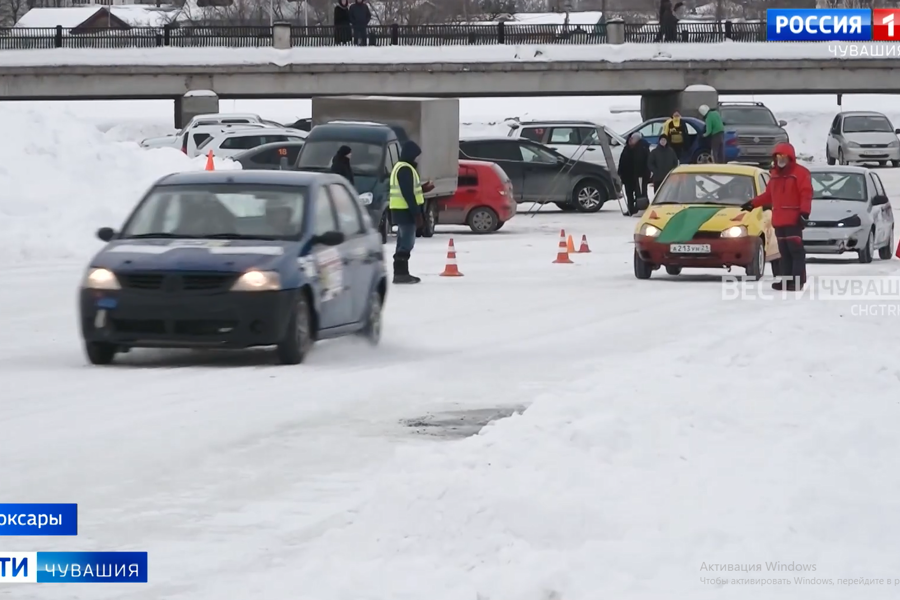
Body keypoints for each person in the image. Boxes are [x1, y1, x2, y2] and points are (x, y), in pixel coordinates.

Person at [741, 142, 812, 291]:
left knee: (795, 251)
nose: (781, 159)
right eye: (778, 156)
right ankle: (786, 280)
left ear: (790, 157)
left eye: (784, 156)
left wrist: (804, 213)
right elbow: (768, 195)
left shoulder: (800, 173)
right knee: (784, 253)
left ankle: (797, 281)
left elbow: (806, 194)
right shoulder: (774, 176)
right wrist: (752, 204)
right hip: (779, 220)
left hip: (793, 220)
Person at [389, 141, 433, 284]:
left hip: (401, 211)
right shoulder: (405, 169)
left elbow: (410, 189)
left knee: (403, 242)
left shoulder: (401, 167)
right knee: (407, 243)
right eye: (416, 156)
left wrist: (423, 189)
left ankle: (401, 273)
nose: (417, 159)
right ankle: (401, 274)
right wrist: (417, 214)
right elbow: (408, 193)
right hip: (405, 211)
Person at [617, 132, 651, 215]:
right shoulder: (627, 148)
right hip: (628, 175)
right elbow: (622, 161)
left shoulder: (642, 148)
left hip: (639, 175)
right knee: (629, 193)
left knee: (640, 192)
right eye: (631, 139)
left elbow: (647, 162)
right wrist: (620, 172)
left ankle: (641, 209)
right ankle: (631, 209)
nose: (631, 140)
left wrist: (646, 173)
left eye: (633, 139)